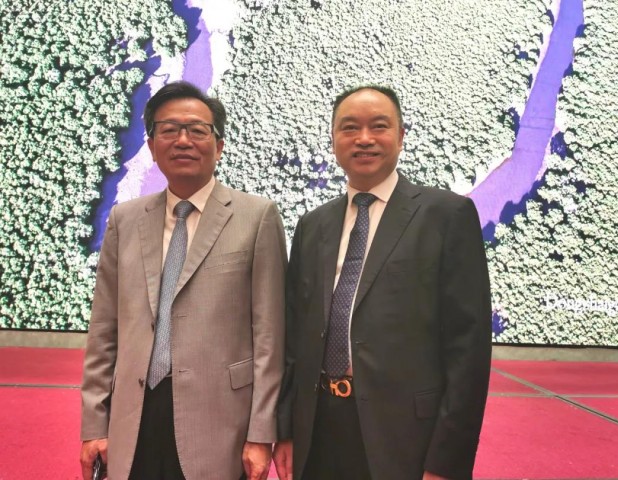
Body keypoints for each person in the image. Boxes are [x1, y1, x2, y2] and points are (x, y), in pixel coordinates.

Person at [273, 85, 492, 480]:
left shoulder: (446, 216)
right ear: (333, 139)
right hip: (318, 429)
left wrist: (447, 461)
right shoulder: (313, 225)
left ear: (401, 136)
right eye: (349, 128)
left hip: (405, 436)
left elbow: (468, 348)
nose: (364, 138)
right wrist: (287, 429)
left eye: (379, 126)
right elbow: (295, 335)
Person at [79, 81, 287, 480]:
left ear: (219, 145)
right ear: (152, 145)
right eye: (169, 130)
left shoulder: (257, 217)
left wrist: (262, 434)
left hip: (220, 422)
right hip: (134, 417)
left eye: (197, 130)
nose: (183, 140)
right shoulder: (125, 219)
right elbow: (104, 329)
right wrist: (94, 425)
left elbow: (270, 337)